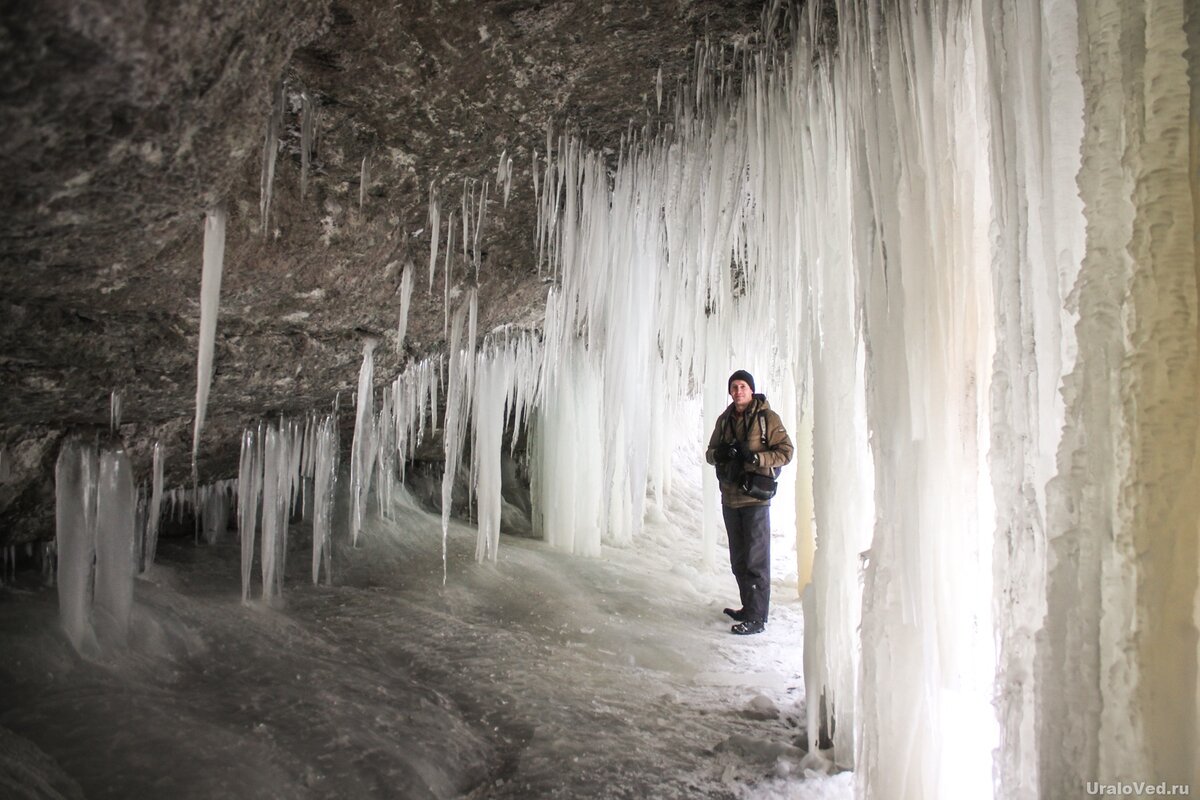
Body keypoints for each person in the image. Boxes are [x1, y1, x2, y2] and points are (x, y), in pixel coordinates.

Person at [705, 370, 794, 635]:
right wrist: (721, 453)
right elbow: (710, 454)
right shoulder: (724, 420)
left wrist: (756, 459)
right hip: (731, 498)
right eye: (734, 387)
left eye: (742, 386)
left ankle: (757, 617)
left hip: (755, 498)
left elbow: (786, 452)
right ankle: (748, 607)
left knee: (756, 560)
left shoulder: (767, 418)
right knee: (739, 559)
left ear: (751, 390)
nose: (738, 391)